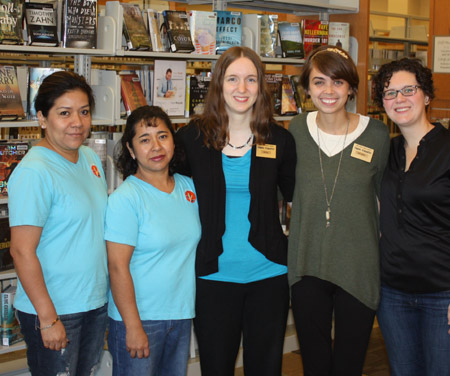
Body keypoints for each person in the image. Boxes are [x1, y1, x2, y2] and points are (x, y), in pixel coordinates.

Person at [177, 46, 296, 376]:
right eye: (233, 79)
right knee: (216, 368)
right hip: (212, 277)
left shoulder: (279, 140)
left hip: (269, 275)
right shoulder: (191, 138)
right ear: (218, 83)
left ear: (261, 86)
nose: (242, 89)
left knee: (266, 369)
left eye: (250, 79)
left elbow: (298, 198)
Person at [372, 58, 450, 376]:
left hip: (446, 294)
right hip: (393, 295)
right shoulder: (387, 151)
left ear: (426, 95)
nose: (399, 99)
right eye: (390, 93)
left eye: (408, 90)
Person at [287, 45, 390, 376]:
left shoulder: (376, 134)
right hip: (307, 265)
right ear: (306, 88)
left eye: (338, 82)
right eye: (319, 82)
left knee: (349, 365)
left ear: (351, 88)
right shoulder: (296, 131)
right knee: (315, 365)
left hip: (358, 267)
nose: (328, 91)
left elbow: (387, 201)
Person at [8, 71, 108, 376]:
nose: (76, 122)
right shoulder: (34, 171)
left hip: (93, 301)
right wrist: (48, 318)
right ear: (42, 118)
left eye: (84, 112)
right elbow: (22, 251)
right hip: (56, 308)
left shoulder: (89, 156)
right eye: (64, 113)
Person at [105, 106, 201, 376]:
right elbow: (117, 267)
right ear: (131, 149)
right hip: (140, 319)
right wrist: (133, 326)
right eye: (145, 140)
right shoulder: (126, 199)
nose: (156, 146)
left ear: (173, 140)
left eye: (162, 136)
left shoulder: (188, 187)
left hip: (181, 314)